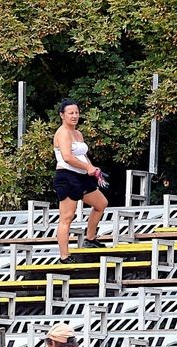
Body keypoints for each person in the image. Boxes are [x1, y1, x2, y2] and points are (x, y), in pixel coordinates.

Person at [52, 98, 108, 264]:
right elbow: (68, 157)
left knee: (101, 204)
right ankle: (64, 256)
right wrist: (87, 167)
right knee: (67, 217)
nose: (74, 116)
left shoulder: (78, 133)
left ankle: (90, 238)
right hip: (66, 176)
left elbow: (82, 155)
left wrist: (92, 169)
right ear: (62, 115)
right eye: (71, 113)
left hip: (81, 176)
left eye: (76, 112)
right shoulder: (62, 133)